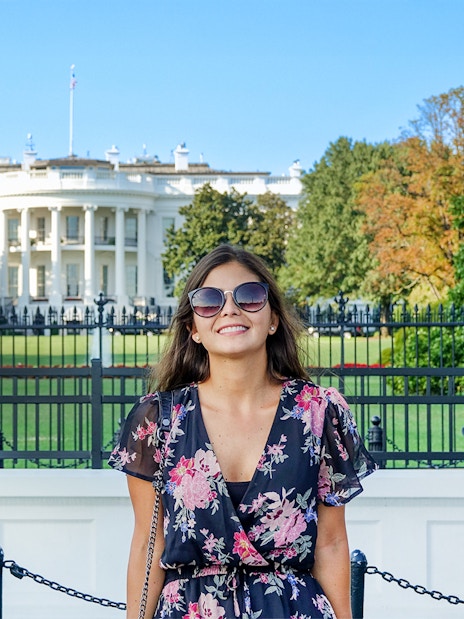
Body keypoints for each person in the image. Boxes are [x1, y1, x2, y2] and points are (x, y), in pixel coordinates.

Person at [109, 244, 377, 619]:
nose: (230, 309)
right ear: (194, 328)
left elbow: (330, 544)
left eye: (250, 296)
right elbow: (147, 546)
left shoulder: (319, 413)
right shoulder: (158, 420)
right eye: (208, 301)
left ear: (273, 319)